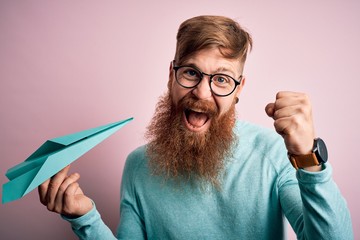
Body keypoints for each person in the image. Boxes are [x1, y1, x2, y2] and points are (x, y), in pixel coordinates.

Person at [38, 15, 353, 239]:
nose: (202, 93)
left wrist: (309, 160)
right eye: (191, 73)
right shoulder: (138, 166)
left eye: (221, 80)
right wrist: (84, 216)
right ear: (170, 74)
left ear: (239, 89)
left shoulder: (271, 154)